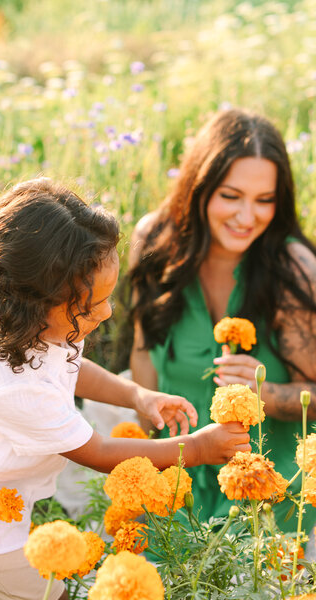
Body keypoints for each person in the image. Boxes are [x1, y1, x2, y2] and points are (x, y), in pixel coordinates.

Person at [0, 178, 251, 600]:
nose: (108, 312)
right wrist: (197, 450)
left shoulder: (28, 322)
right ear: (33, 304)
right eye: (92, 307)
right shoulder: (13, 386)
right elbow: (99, 453)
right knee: (43, 595)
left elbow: (71, 368)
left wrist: (137, 396)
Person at [128, 108, 316, 535]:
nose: (247, 216)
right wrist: (154, 459)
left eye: (264, 200)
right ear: (199, 188)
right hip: (176, 486)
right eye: (231, 196)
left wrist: (265, 393)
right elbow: (143, 353)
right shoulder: (153, 242)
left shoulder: (295, 270)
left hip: (270, 495)